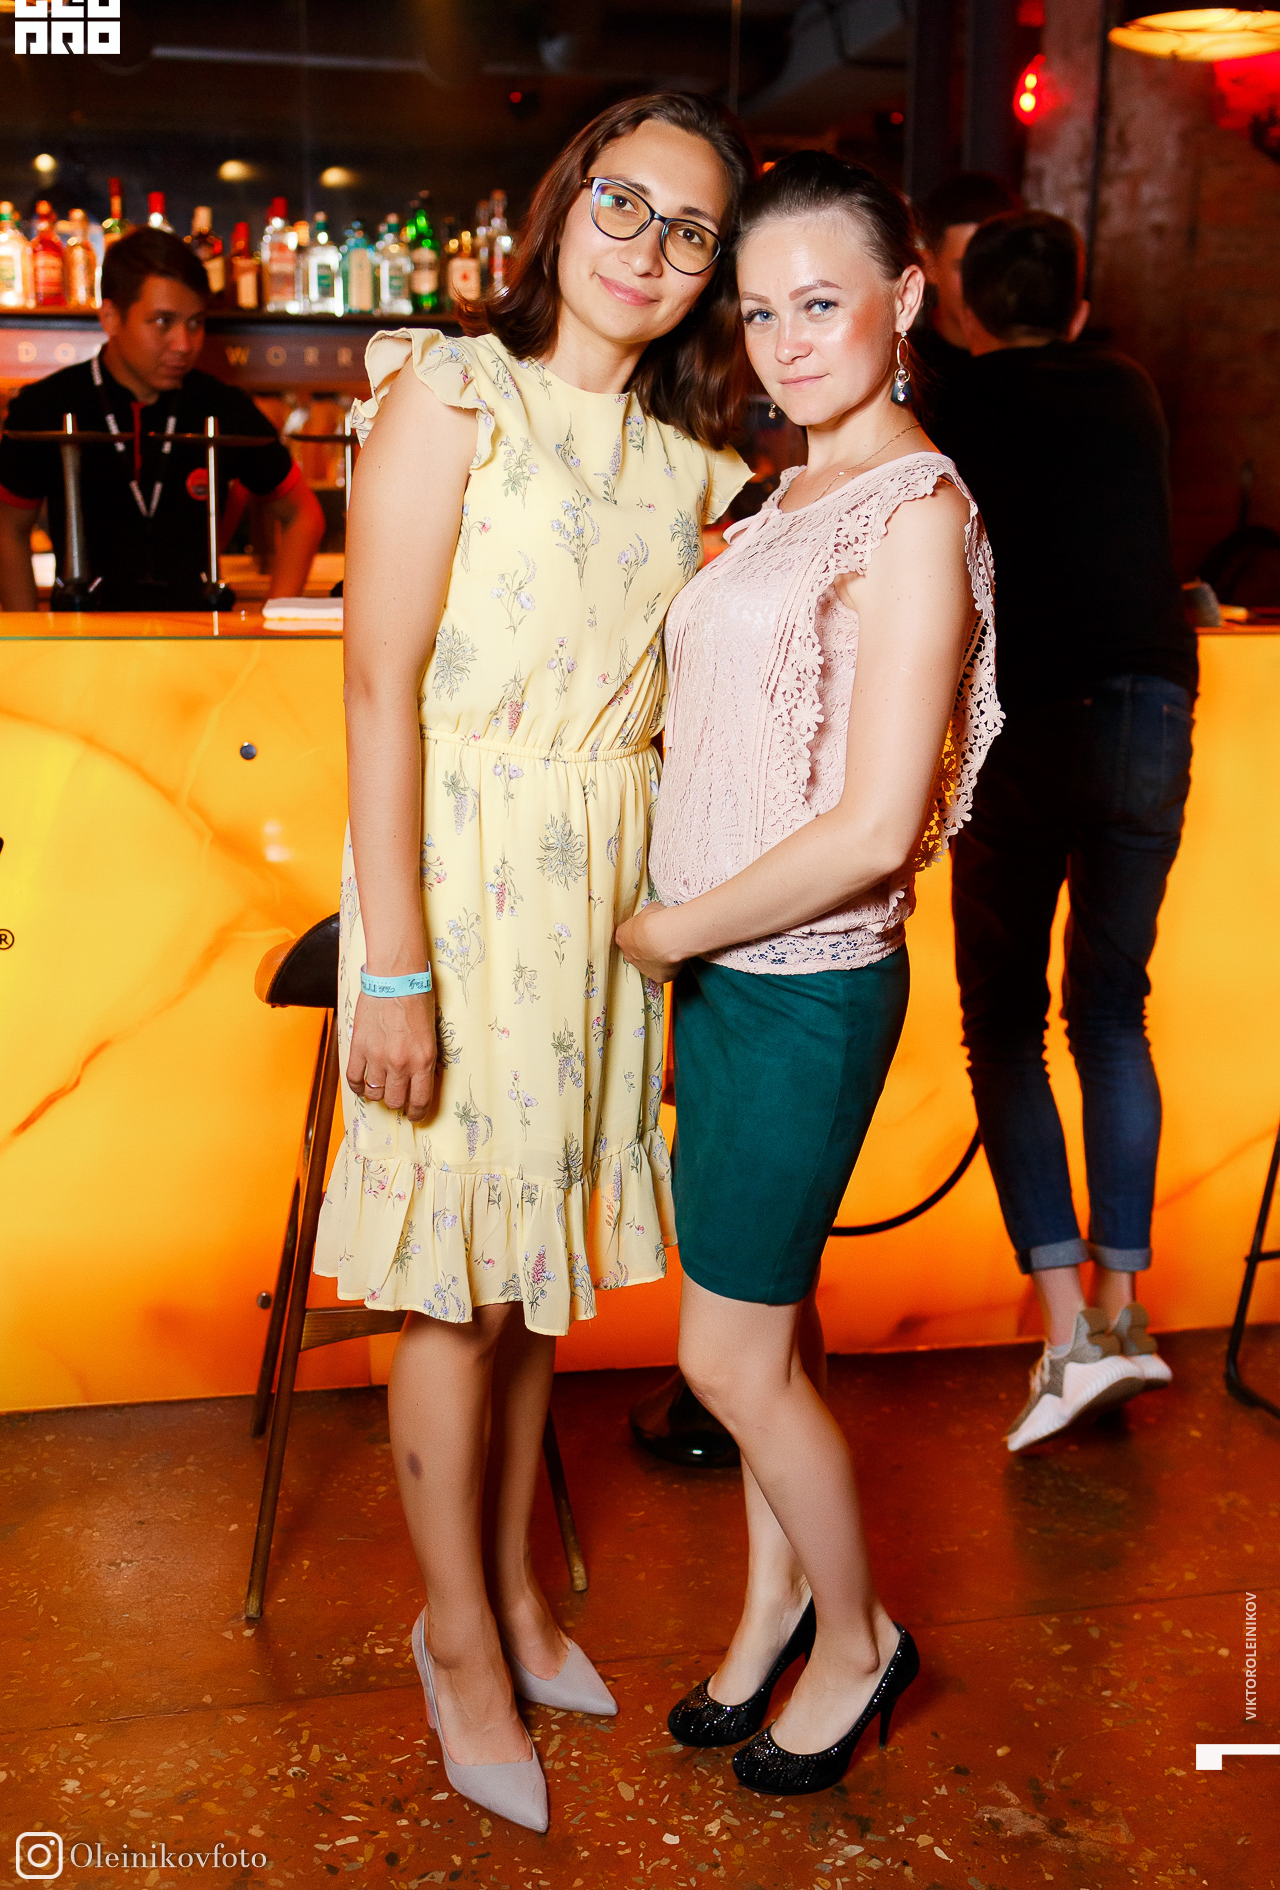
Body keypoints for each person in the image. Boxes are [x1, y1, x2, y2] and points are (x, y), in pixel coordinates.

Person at [315, 94, 752, 1831]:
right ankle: (454, 1641)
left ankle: (509, 1595)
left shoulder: (691, 459)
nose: (649, 249)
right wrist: (393, 964)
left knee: (529, 1275)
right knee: (449, 1281)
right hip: (458, 878)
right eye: (625, 205)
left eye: (692, 231)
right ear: (567, 205)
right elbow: (376, 688)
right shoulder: (451, 391)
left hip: (596, 905)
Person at [618, 152, 1000, 1795]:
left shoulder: (917, 513)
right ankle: (774, 1603)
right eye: (760, 311)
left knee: (722, 1360)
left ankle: (858, 1639)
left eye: (820, 303)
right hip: (731, 974)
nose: (784, 341)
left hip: (800, 984)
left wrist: (665, 933)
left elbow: (870, 827)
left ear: (904, 301)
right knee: (770, 1333)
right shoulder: (780, 496)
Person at [937, 211, 1198, 1453]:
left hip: (1022, 718)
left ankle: (1065, 1344)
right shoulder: (1129, 388)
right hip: (1149, 706)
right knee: (1110, 1014)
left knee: (1003, 1025)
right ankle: (1125, 1313)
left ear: (959, 308)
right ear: (1080, 310)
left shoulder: (951, 402)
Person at [0, 226, 323, 612]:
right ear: (111, 317)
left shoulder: (221, 404)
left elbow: (303, 514)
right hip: (82, 635)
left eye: (195, 323)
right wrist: (28, 632)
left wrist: (277, 618)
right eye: (163, 322)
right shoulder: (47, 404)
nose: (184, 344)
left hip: (200, 634)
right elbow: (7, 527)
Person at [911, 171, 1022, 432]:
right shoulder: (907, 366)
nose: (983, 282)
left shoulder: (1030, 370)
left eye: (997, 266)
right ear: (930, 267)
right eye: (965, 267)